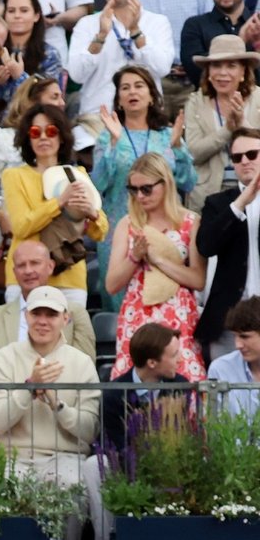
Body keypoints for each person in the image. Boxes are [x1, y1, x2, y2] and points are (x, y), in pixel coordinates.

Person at [0, 285, 100, 488]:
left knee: (70, 483)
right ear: (26, 316)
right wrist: (29, 389)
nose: (42, 321)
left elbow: (90, 430)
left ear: (65, 319)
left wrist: (57, 404)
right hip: (13, 457)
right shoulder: (3, 358)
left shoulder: (82, 362)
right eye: (36, 313)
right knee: (7, 484)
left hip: (66, 457)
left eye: (51, 314)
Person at [105, 152, 207, 381]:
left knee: (184, 378)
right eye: (133, 190)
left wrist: (159, 260)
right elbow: (111, 285)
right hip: (138, 313)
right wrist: (135, 257)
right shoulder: (127, 224)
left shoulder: (191, 222)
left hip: (178, 313)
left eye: (146, 189)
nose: (140, 196)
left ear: (165, 184)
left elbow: (198, 279)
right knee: (135, 382)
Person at [1, 104, 108, 304]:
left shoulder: (77, 174)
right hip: (25, 277)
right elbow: (21, 227)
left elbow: (100, 232)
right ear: (28, 138)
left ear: (62, 137)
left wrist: (92, 213)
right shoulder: (14, 176)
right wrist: (59, 202)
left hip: (69, 276)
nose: (43, 137)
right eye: (35, 132)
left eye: (51, 131)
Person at [92, 66, 196, 262]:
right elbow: (98, 184)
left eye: (139, 86)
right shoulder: (108, 137)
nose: (132, 91)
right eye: (125, 88)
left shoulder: (167, 135)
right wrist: (113, 144)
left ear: (151, 96)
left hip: (166, 230)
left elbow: (188, 183)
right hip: (120, 231)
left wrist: (177, 148)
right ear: (119, 100)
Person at [69, 0, 177, 129]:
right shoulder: (86, 24)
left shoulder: (157, 22)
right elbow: (77, 75)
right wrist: (101, 36)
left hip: (146, 119)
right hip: (98, 119)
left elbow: (162, 68)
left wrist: (136, 32)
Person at [0, 240, 96, 375]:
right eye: (21, 265)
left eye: (35, 263)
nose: (28, 271)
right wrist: (26, 386)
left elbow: (85, 370)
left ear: (50, 266)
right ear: (14, 272)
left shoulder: (75, 313)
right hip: (9, 388)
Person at [195, 126, 260, 357]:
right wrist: (240, 204)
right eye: (237, 157)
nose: (245, 161)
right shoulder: (218, 203)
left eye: (252, 154)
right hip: (228, 320)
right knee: (224, 379)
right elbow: (206, 246)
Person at [184, 35, 260, 211]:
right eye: (216, 65)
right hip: (208, 197)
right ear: (208, 72)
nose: (222, 73)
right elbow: (193, 153)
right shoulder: (195, 102)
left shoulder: (259, 99)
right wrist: (227, 130)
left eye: (231, 66)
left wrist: (242, 123)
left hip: (255, 193)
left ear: (243, 72)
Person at [100, 321, 196, 452]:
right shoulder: (113, 396)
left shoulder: (180, 386)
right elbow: (117, 447)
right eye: (174, 355)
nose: (180, 359)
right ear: (152, 363)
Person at [0, 0, 68, 121]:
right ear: (4, 15)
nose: (17, 16)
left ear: (36, 16)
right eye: (11, 11)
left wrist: (20, 77)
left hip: (32, 126)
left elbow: (51, 101)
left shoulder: (49, 54)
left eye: (24, 11)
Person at [182, 0, 257, 88]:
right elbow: (196, 72)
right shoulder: (195, 25)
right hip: (210, 99)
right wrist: (240, 40)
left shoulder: (257, 23)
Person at [208, 293, 260, 415]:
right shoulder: (220, 368)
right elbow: (215, 422)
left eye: (245, 337)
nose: (238, 345)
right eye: (234, 336)